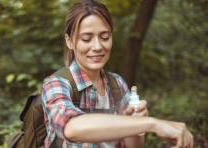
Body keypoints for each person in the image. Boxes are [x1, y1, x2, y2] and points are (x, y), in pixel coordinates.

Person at [41, 0, 193, 148]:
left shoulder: (117, 83)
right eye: (86, 39)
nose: (97, 46)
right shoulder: (56, 83)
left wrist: (135, 123)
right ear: (69, 41)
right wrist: (152, 124)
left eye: (105, 37)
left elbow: (134, 145)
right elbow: (70, 127)